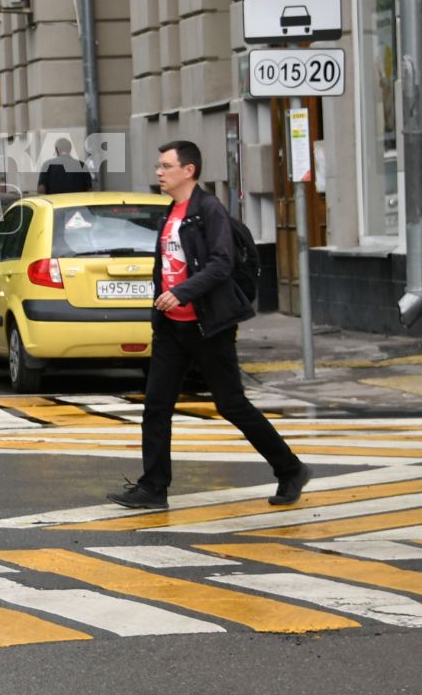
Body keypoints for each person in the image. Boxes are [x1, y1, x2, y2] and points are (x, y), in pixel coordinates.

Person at [106, 141, 309, 511]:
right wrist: (162, 309)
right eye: (158, 165)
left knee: (231, 404)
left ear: (189, 171)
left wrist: (182, 293)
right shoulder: (171, 212)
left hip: (208, 326)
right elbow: (165, 267)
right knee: (156, 406)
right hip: (171, 328)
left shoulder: (207, 209)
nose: (159, 172)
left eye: (166, 166)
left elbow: (221, 263)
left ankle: (290, 468)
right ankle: (153, 487)